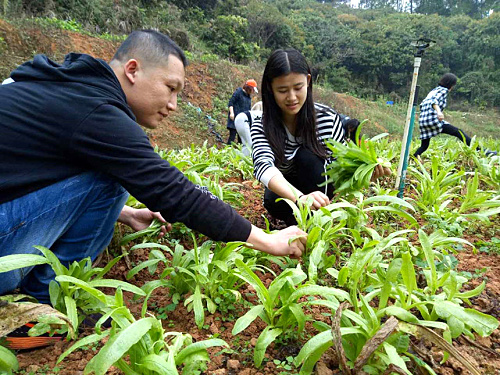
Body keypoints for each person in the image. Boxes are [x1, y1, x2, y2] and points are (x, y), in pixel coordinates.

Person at [0, 31, 306, 309]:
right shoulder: (97, 111)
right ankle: (43, 301)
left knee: (112, 170)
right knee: (112, 176)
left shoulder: (71, 86)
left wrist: (126, 214)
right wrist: (267, 241)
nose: (173, 104)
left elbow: (30, 176)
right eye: (170, 88)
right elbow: (173, 191)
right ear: (132, 70)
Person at [251, 48, 390, 225]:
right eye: (283, 90)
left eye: (298, 87)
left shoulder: (327, 118)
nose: (292, 97)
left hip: (320, 190)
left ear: (308, 81)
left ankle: (317, 219)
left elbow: (338, 169)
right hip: (288, 193)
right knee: (273, 198)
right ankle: (296, 221)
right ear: (270, 89)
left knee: (306, 156)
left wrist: (363, 174)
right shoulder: (262, 124)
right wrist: (300, 197)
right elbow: (263, 167)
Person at [415, 73, 497, 157]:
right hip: (433, 120)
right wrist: (439, 112)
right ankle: (483, 151)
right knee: (459, 132)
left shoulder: (434, 91)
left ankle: (415, 156)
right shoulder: (443, 90)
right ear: (450, 84)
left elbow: (423, 104)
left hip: (423, 122)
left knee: (424, 146)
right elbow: (434, 101)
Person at [227, 79, 258, 144]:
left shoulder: (248, 97)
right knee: (232, 137)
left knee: (242, 140)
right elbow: (231, 103)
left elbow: (248, 110)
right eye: (252, 90)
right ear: (249, 88)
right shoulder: (239, 92)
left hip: (243, 121)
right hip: (234, 119)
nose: (253, 92)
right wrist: (232, 113)